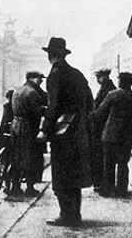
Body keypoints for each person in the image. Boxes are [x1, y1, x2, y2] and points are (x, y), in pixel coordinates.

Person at [38, 37, 93, 227]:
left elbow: (53, 106)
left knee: (61, 174)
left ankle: (66, 215)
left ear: (51, 55)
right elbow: (89, 101)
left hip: (62, 133)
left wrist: (44, 130)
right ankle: (75, 214)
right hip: (79, 130)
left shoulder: (55, 74)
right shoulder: (77, 74)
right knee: (74, 174)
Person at [90, 72, 132, 198]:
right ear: (130, 83)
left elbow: (100, 112)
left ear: (120, 82)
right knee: (123, 163)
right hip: (127, 135)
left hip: (110, 134)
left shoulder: (112, 95)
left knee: (108, 163)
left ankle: (108, 189)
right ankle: (122, 190)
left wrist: (90, 117)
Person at [10, 72, 47, 197]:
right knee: (30, 157)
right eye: (39, 79)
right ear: (32, 78)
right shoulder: (32, 92)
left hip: (15, 125)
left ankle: (14, 186)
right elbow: (36, 113)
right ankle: (30, 187)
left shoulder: (18, 90)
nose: (41, 81)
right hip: (28, 127)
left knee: (16, 156)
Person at [90, 68, 117, 192]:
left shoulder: (109, 90)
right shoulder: (107, 88)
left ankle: (102, 184)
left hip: (103, 127)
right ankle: (100, 183)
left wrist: (91, 116)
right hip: (101, 127)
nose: (97, 79)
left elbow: (102, 110)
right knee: (100, 156)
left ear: (106, 77)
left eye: (99, 77)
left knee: (101, 157)